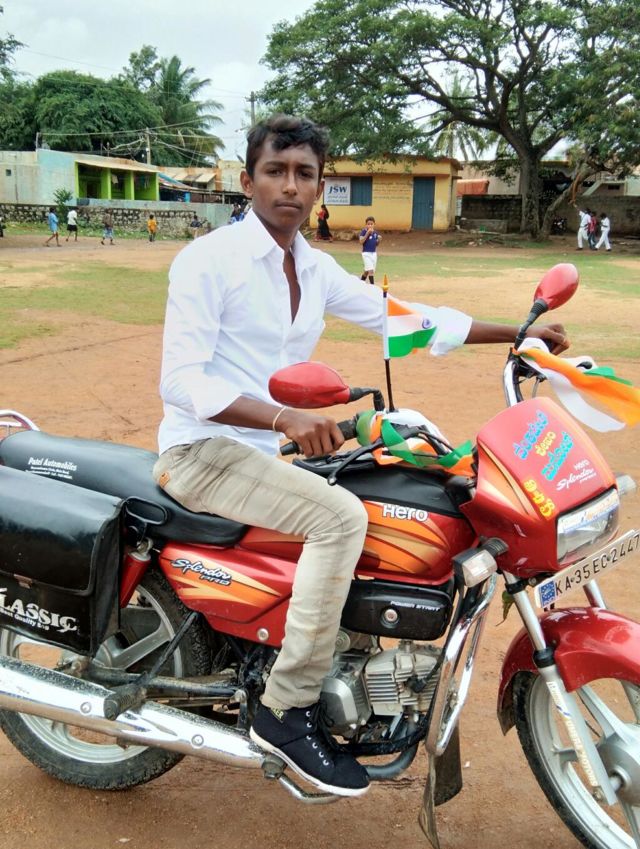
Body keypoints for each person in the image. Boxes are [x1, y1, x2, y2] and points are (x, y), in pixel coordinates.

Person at [153, 113, 568, 798]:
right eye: (275, 171)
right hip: (200, 452)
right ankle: (285, 709)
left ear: (320, 185)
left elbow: (402, 318)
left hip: (260, 453)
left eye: (304, 174)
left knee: (381, 505)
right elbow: (182, 381)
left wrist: (515, 335)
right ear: (248, 180)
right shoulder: (208, 261)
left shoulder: (313, 268)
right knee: (339, 518)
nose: (290, 186)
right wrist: (285, 416)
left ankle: (338, 661)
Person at [359, 216, 381, 284]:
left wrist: (379, 240)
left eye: (371, 224)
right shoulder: (363, 232)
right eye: (368, 224)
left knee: (366, 271)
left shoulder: (375, 233)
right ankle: (372, 286)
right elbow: (361, 241)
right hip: (366, 254)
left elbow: (376, 244)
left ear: (374, 224)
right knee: (370, 271)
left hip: (373, 254)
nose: (370, 225)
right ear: (366, 225)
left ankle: (360, 283)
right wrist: (367, 233)